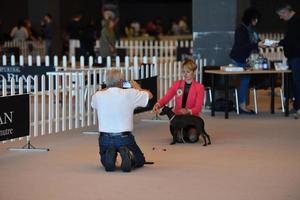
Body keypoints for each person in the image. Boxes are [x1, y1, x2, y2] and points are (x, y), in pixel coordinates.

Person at [91, 69, 153, 172]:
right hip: (124, 137)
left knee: (105, 162)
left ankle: (110, 157)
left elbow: (93, 103)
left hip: (105, 137)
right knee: (140, 160)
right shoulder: (130, 93)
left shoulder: (98, 95)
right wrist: (137, 87)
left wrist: (107, 87)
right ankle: (128, 156)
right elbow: (150, 95)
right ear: (121, 81)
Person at [153, 59, 205, 143]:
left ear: (194, 72)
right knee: (179, 138)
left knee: (192, 137)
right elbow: (167, 97)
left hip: (191, 120)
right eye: (183, 72)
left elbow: (198, 108)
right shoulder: (177, 84)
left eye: (188, 72)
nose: (185, 74)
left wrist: (188, 111)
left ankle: (187, 133)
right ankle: (182, 134)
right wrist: (158, 104)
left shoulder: (199, 87)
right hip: (177, 120)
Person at [230, 7, 265, 114]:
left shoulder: (251, 29)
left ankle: (242, 105)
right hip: (239, 58)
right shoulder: (241, 29)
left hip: (247, 59)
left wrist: (262, 42)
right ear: (251, 18)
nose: (257, 21)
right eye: (255, 18)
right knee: (244, 82)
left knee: (245, 82)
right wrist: (257, 44)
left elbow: (255, 42)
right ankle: (242, 105)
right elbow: (243, 46)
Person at [275, 3, 300, 118]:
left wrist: (278, 43)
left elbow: (292, 40)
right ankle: (296, 106)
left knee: (298, 82)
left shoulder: (296, 21)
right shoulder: (291, 21)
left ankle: (299, 108)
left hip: (297, 56)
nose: (280, 18)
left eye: (281, 15)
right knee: (294, 83)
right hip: (293, 57)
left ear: (286, 12)